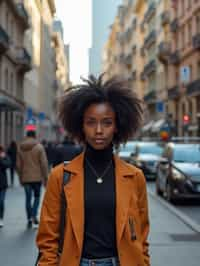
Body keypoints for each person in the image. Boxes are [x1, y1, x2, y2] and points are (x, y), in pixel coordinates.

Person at [36, 75, 150, 266]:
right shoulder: (60, 176)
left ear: (117, 126)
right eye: (91, 122)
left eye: (107, 122)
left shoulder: (134, 177)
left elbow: (142, 236)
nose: (99, 130)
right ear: (81, 126)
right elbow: (47, 239)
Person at [16, 130, 48, 229]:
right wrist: (45, 177)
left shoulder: (21, 148)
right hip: (37, 178)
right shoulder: (39, 147)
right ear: (35, 136)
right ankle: (34, 215)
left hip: (26, 177)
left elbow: (18, 165)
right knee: (37, 197)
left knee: (28, 198)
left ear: (27, 136)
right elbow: (43, 164)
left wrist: (20, 177)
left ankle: (29, 218)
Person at [0, 145, 11, 227]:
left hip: (2, 183)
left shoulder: (4, 156)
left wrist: (1, 158)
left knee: (1, 201)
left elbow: (8, 165)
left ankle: (1, 218)